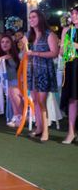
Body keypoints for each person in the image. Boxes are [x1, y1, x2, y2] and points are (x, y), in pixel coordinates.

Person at [26, 9, 59, 142]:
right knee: (35, 101)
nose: (31, 19)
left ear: (40, 18)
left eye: (33, 17)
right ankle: (39, 127)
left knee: (41, 101)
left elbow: (54, 53)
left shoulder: (48, 34)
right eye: (30, 17)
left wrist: (35, 54)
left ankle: (46, 131)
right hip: (32, 71)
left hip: (44, 70)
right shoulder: (30, 35)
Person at [0, 35, 23, 128]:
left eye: (7, 42)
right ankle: (20, 115)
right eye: (2, 42)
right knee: (13, 89)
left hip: (19, 80)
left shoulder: (15, 54)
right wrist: (1, 58)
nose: (4, 44)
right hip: (7, 82)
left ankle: (20, 116)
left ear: (11, 43)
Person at [60, 6, 78, 144]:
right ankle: (71, 132)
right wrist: (64, 47)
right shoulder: (68, 31)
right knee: (72, 99)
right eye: (72, 13)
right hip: (72, 66)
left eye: (76, 13)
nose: (74, 15)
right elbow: (62, 52)